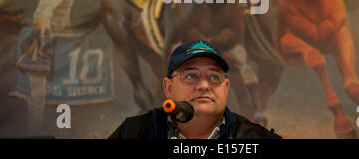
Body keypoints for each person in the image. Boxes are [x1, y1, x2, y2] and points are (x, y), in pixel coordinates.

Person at [109, 40, 282, 139]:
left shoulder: (255, 139)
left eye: (214, 77)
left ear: (226, 87)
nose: (204, 85)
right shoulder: (133, 134)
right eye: (191, 76)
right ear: (168, 88)